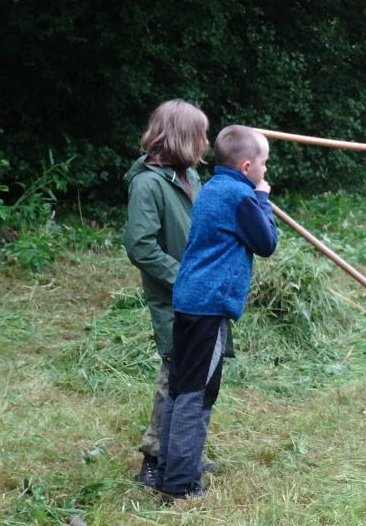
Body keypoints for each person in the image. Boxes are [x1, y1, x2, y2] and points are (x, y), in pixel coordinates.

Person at [156, 125, 277, 499]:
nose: (266, 171)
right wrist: (261, 198)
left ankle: (175, 464)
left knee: (180, 388)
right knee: (197, 392)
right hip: (209, 305)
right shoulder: (241, 197)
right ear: (246, 166)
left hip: (190, 300)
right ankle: (180, 484)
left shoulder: (211, 188)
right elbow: (266, 243)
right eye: (264, 164)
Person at [123, 99, 208, 487]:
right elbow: (140, 246)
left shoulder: (190, 177)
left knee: (197, 374)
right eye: (200, 135)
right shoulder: (148, 184)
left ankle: (182, 453)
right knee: (174, 374)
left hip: (201, 294)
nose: (206, 142)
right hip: (174, 297)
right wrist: (184, 279)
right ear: (181, 138)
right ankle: (154, 458)